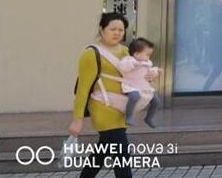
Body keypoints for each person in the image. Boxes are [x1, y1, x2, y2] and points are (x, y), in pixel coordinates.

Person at [68, 12, 153, 178]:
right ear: (102, 29)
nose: (117, 33)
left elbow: (135, 77)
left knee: (103, 151)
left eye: (121, 30)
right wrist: (77, 120)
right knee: (121, 155)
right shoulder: (91, 54)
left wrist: (148, 76)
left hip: (120, 107)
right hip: (103, 108)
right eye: (113, 29)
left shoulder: (126, 51)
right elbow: (83, 89)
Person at [120, 37, 162, 127]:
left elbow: (150, 71)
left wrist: (156, 71)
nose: (148, 57)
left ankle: (149, 118)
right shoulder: (129, 60)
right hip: (131, 86)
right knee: (134, 96)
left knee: (156, 100)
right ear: (136, 54)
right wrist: (133, 65)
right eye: (147, 55)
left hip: (144, 86)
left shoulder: (147, 62)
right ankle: (129, 116)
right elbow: (122, 67)